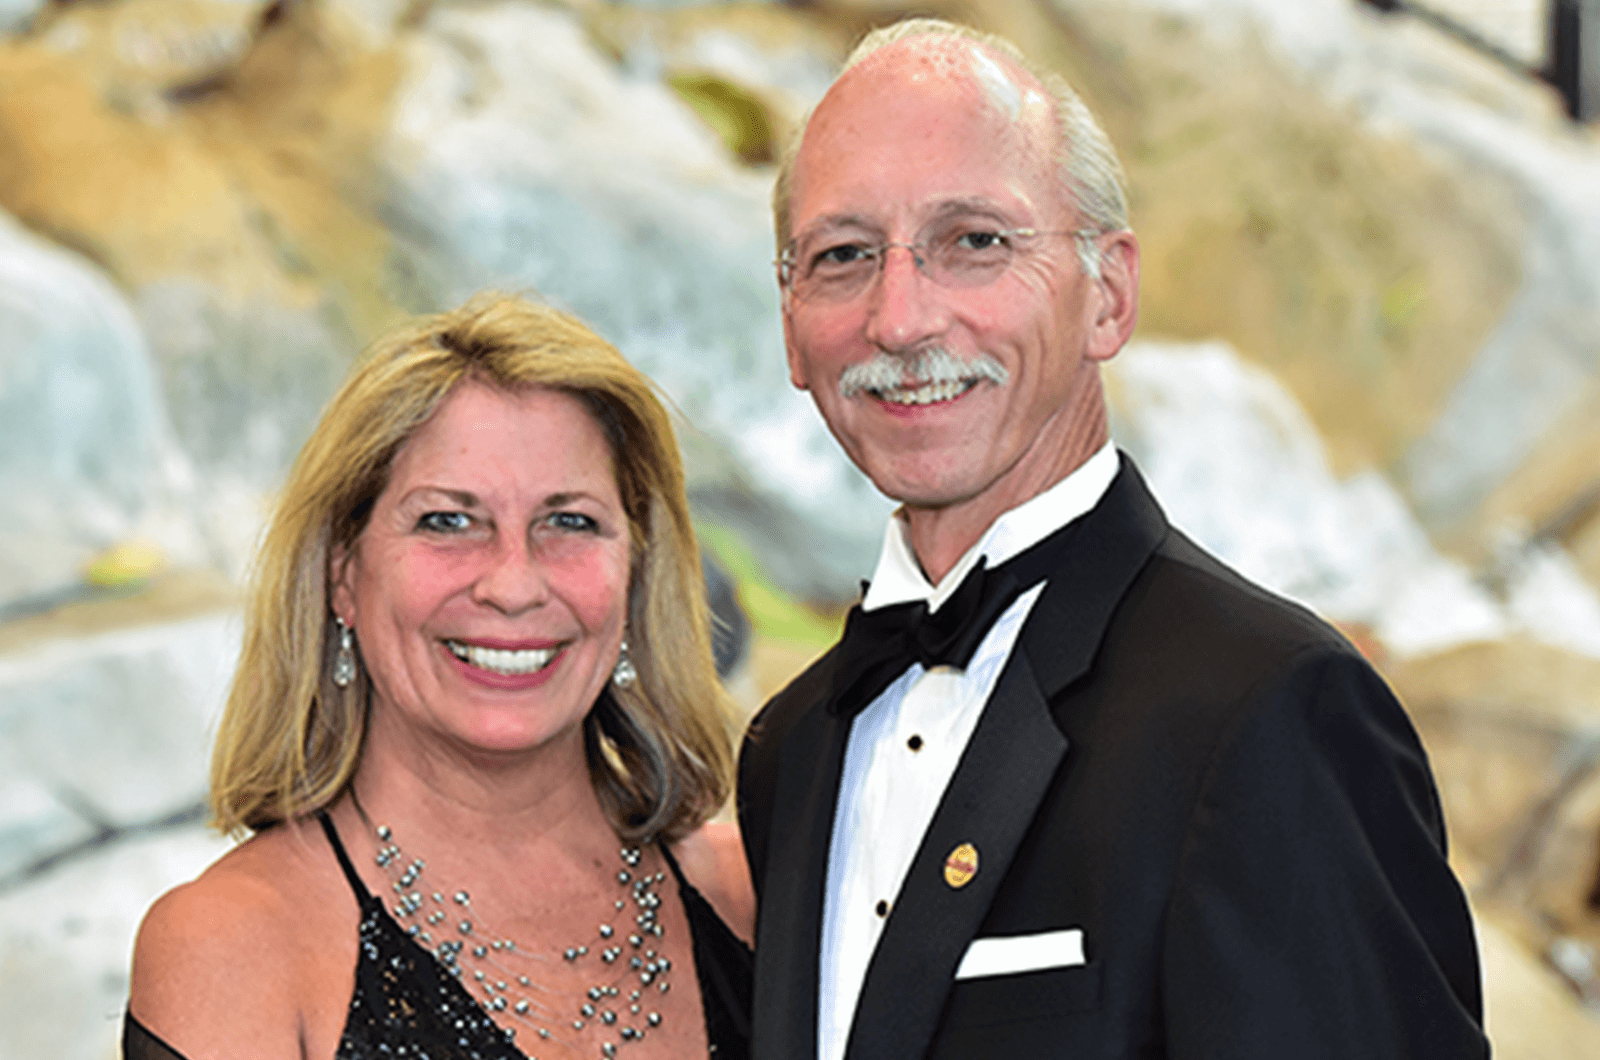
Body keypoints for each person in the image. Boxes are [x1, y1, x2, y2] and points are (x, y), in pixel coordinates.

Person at [738, 18, 1487, 1060]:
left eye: (975, 241)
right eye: (844, 255)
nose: (900, 317)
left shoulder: (1268, 712)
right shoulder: (789, 750)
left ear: (1110, 294)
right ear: (789, 323)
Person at [127, 295, 754, 1060]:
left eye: (570, 522)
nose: (514, 583)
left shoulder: (750, 897)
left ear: (636, 574)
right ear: (342, 575)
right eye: (447, 521)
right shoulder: (237, 948)